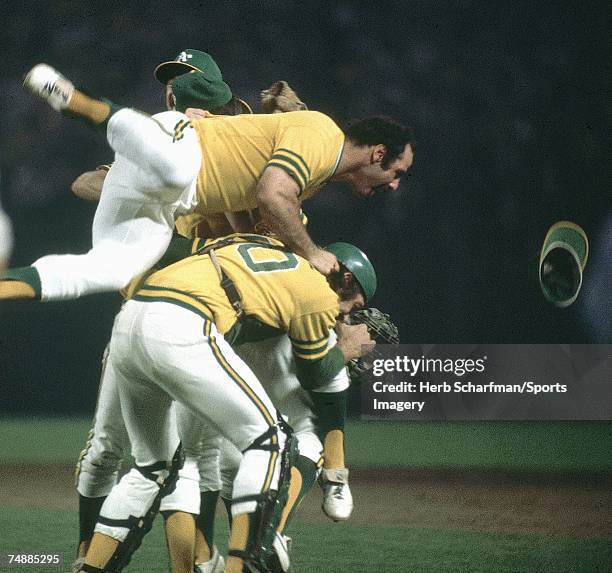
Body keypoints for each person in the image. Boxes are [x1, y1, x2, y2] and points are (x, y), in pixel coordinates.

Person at [77, 234, 376, 573]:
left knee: (153, 468)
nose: (350, 314)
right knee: (271, 439)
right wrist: (345, 350)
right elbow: (317, 374)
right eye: (355, 305)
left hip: (135, 316)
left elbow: (162, 243)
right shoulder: (314, 290)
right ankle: (256, 549)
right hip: (186, 329)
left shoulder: (250, 240)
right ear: (345, 279)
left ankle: (91, 564)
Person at [5, 62, 414, 304]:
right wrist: (313, 252)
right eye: (397, 173)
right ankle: (75, 100)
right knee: (176, 169)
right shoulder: (324, 134)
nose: (394, 185)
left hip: (162, 202)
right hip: (179, 147)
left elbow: (257, 224)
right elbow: (273, 194)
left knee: (111, 271)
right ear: (378, 153)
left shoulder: (314, 170)